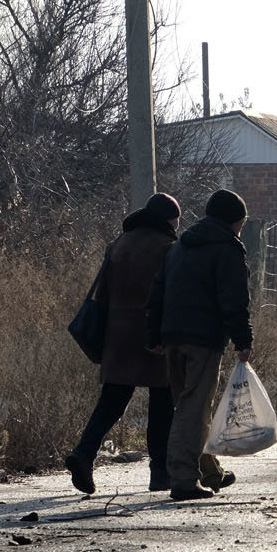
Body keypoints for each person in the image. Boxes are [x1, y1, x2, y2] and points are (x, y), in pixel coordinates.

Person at [64, 193, 182, 494]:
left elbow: (102, 293)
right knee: (162, 404)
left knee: (111, 402)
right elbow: (170, 296)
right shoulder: (169, 249)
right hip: (153, 336)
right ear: (169, 220)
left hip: (117, 336)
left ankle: (83, 453)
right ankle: (160, 472)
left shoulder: (118, 244)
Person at [145, 189, 252, 501]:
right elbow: (234, 300)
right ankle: (182, 479)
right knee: (194, 410)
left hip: (172, 338)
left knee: (188, 407)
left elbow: (157, 291)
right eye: (242, 223)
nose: (241, 229)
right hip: (203, 340)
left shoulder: (179, 247)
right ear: (235, 220)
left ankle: (210, 472)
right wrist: (243, 339)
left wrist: (154, 334)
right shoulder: (227, 249)